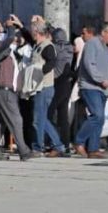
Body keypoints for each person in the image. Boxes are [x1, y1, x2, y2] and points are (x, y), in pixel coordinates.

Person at [73, 22, 108, 158]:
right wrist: (100, 79)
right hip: (91, 87)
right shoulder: (92, 44)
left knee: (100, 119)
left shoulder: (107, 49)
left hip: (102, 89)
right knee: (97, 116)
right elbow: (88, 64)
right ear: (103, 33)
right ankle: (79, 142)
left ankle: (93, 149)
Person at [0, 22, 33, 161]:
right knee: (16, 121)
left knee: (2, 122)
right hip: (5, 91)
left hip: (9, 92)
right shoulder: (5, 53)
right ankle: (24, 150)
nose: (18, 40)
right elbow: (2, 45)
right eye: (16, 38)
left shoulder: (14, 55)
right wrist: (10, 30)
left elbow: (28, 40)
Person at [29, 20, 68, 157]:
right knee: (42, 119)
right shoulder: (38, 46)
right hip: (38, 87)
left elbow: (52, 62)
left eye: (32, 31)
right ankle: (58, 145)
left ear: (37, 32)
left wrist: (41, 71)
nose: (31, 33)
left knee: (38, 119)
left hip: (44, 87)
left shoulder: (47, 46)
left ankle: (38, 148)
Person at [48, 28, 74, 152]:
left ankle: (54, 141)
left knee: (48, 113)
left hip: (57, 82)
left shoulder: (55, 48)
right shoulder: (70, 48)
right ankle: (66, 143)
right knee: (63, 116)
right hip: (67, 84)